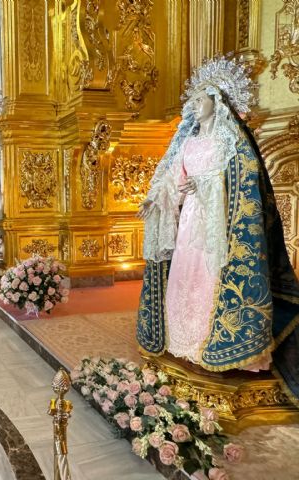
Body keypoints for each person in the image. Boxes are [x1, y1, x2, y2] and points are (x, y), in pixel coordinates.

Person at [136, 56, 299, 401]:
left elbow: (245, 182)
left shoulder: (231, 142)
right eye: (192, 101)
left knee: (210, 277)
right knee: (186, 275)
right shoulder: (189, 142)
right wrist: (155, 200)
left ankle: (218, 345)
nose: (194, 107)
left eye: (200, 100)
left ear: (217, 101)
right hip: (191, 222)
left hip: (219, 224)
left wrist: (208, 187)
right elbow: (172, 179)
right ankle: (186, 344)